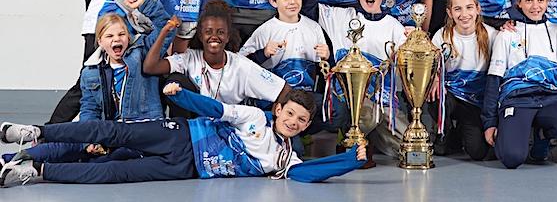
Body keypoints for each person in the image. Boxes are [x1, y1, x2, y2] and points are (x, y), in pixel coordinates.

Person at [0, 87, 366, 187]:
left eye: (301, 121)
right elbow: (216, 109)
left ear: (306, 125)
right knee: (113, 132)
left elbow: (307, 174)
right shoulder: (255, 116)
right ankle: (35, 132)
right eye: (290, 114)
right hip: (181, 135)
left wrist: (350, 161)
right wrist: (183, 97)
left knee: (113, 172)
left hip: (187, 169)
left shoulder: (285, 158)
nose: (293, 122)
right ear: (279, 109)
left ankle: (36, 172)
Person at [303, 0, 408, 167]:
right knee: (367, 115)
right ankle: (350, 139)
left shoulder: (395, 27)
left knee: (407, 147)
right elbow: (306, 7)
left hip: (382, 99)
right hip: (346, 97)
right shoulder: (341, 17)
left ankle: (370, 138)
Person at [482, 0, 557, 169]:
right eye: (529, 1)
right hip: (517, 101)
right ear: (519, 3)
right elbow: (493, 79)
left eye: (540, 0)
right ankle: (518, 133)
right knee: (512, 158)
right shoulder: (507, 34)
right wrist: (490, 122)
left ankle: (541, 135)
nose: (535, 6)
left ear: (548, 2)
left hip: (550, 100)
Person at [239, 0, 349, 142]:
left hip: (306, 96)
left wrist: (327, 57)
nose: (292, 2)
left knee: (339, 111)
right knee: (293, 145)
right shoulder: (265, 31)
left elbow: (327, 70)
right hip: (278, 97)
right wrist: (263, 53)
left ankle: (304, 132)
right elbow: (240, 65)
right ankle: (290, 137)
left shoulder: (313, 27)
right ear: (273, 2)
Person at [142, 0, 289, 117]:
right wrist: (165, 31)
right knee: (176, 80)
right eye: (208, 32)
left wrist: (275, 119)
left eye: (220, 32)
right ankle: (182, 130)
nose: (214, 36)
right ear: (201, 36)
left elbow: (284, 90)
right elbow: (150, 67)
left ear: (227, 36)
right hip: (196, 125)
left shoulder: (242, 66)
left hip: (228, 126)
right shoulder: (190, 58)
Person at [429, 0, 497, 160]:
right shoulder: (441, 36)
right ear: (449, 13)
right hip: (450, 97)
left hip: (476, 102)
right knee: (437, 97)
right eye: (458, 9)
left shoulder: (492, 35)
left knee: (478, 152)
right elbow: (431, 67)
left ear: (478, 9)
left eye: (469, 7)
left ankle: (459, 133)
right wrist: (435, 78)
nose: (464, 14)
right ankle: (443, 132)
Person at [80, 14, 178, 122]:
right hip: (113, 129)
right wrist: (90, 131)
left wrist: (144, 6)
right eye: (109, 36)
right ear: (100, 42)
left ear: (128, 37)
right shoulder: (90, 72)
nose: (116, 39)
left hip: (146, 125)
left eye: (121, 34)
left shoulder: (142, 52)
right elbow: (89, 110)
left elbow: (165, 26)